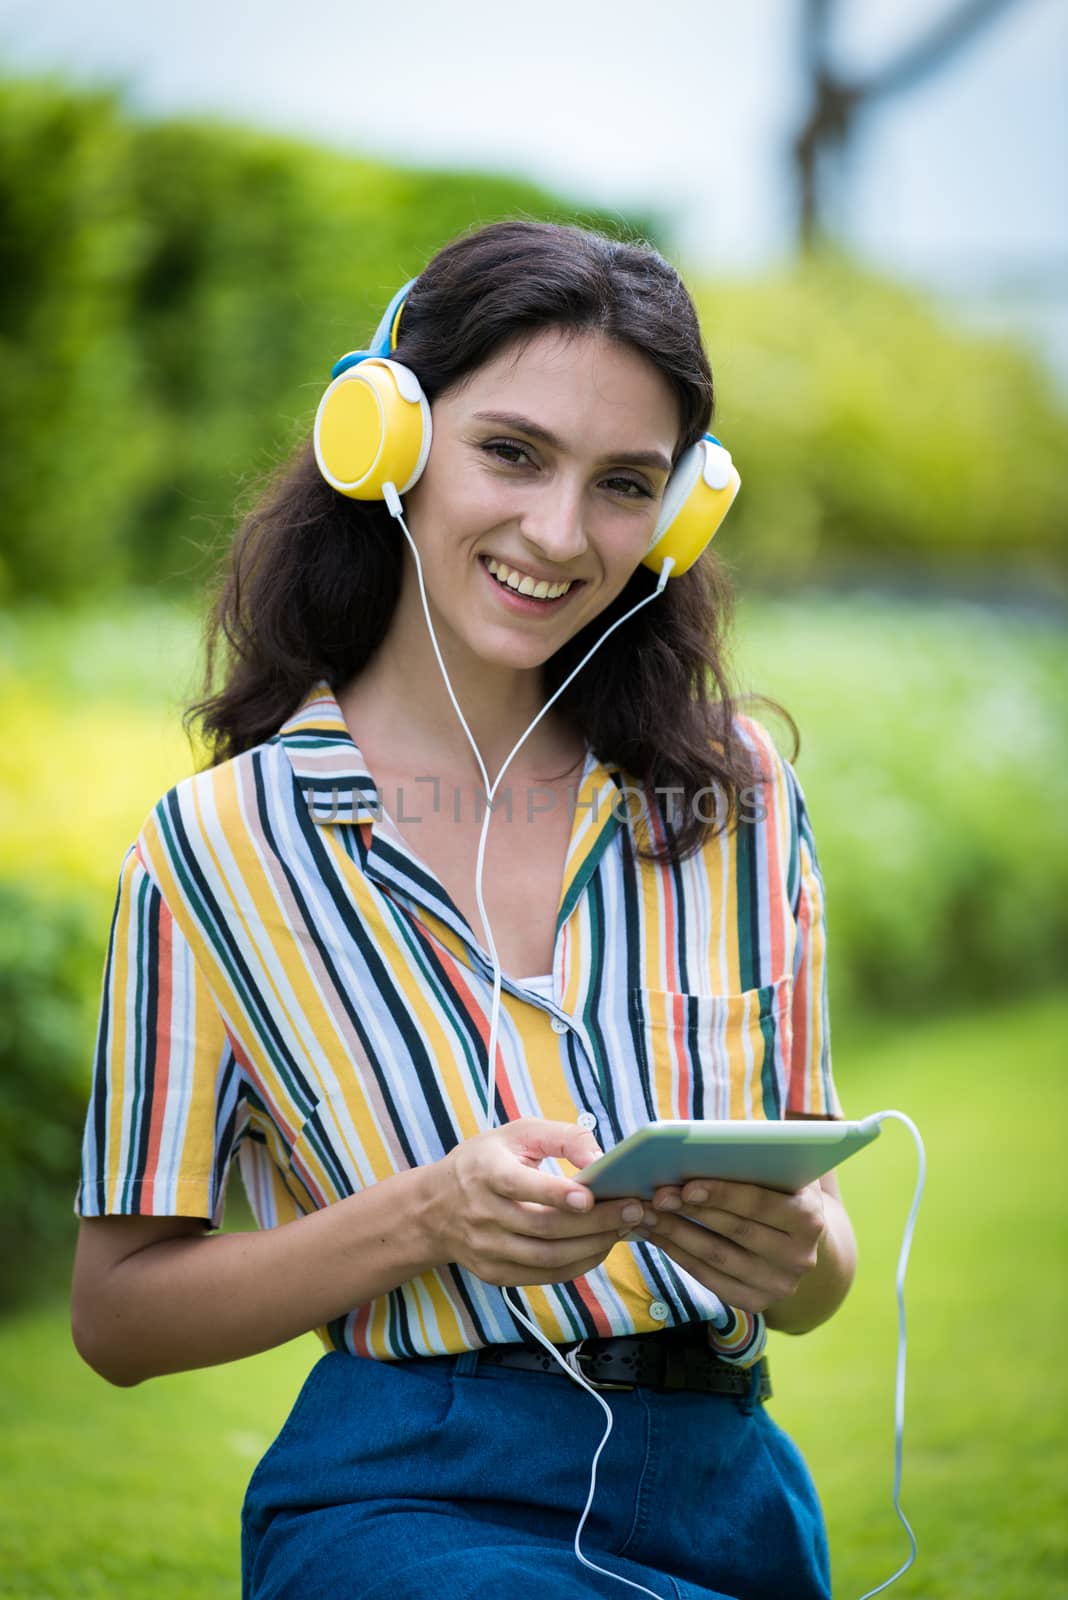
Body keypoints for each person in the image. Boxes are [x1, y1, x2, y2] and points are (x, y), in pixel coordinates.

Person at [71, 219, 857, 1600]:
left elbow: (821, 1267)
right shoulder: (216, 848)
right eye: (512, 452)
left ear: (682, 513)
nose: (559, 534)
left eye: (625, 483)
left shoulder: (740, 798)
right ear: (388, 437)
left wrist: (796, 1251)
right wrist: (423, 1219)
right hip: (409, 1495)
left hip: (732, 1496)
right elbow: (118, 1314)